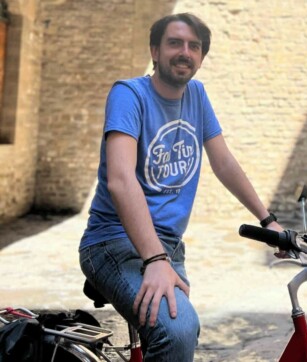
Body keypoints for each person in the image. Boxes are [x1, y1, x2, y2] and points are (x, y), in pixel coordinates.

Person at [79, 13, 282, 361]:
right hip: (113, 240)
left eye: (194, 46)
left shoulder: (197, 96)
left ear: (201, 56)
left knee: (181, 334)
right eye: (174, 43)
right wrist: (155, 258)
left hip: (168, 247)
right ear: (155, 51)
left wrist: (269, 221)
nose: (184, 52)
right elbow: (120, 178)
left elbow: (224, 163)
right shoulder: (129, 95)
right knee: (177, 331)